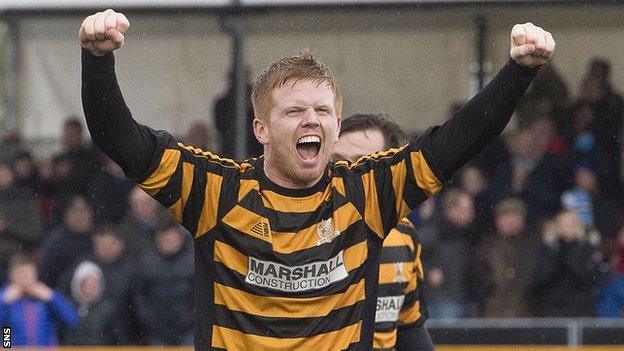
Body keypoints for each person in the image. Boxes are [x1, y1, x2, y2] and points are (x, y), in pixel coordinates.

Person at [79, 9, 553, 349]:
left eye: (323, 110)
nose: (312, 120)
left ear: (336, 121)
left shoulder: (365, 192)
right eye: (295, 111)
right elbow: (123, 142)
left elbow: (456, 142)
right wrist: (98, 61)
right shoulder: (218, 192)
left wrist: (519, 72)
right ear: (260, 129)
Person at [333, 113, 433, 351]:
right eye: (336, 160)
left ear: (390, 171)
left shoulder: (404, 235)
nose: (346, 171)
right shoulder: (302, 231)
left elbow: (410, 328)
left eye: (362, 162)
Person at [0, 253, 78, 347]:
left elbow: (71, 320)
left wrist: (52, 298)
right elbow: (5, 329)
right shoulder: (6, 298)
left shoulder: (46, 297)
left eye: (28, 274)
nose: (25, 278)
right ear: (12, 276)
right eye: (21, 274)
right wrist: (4, 303)